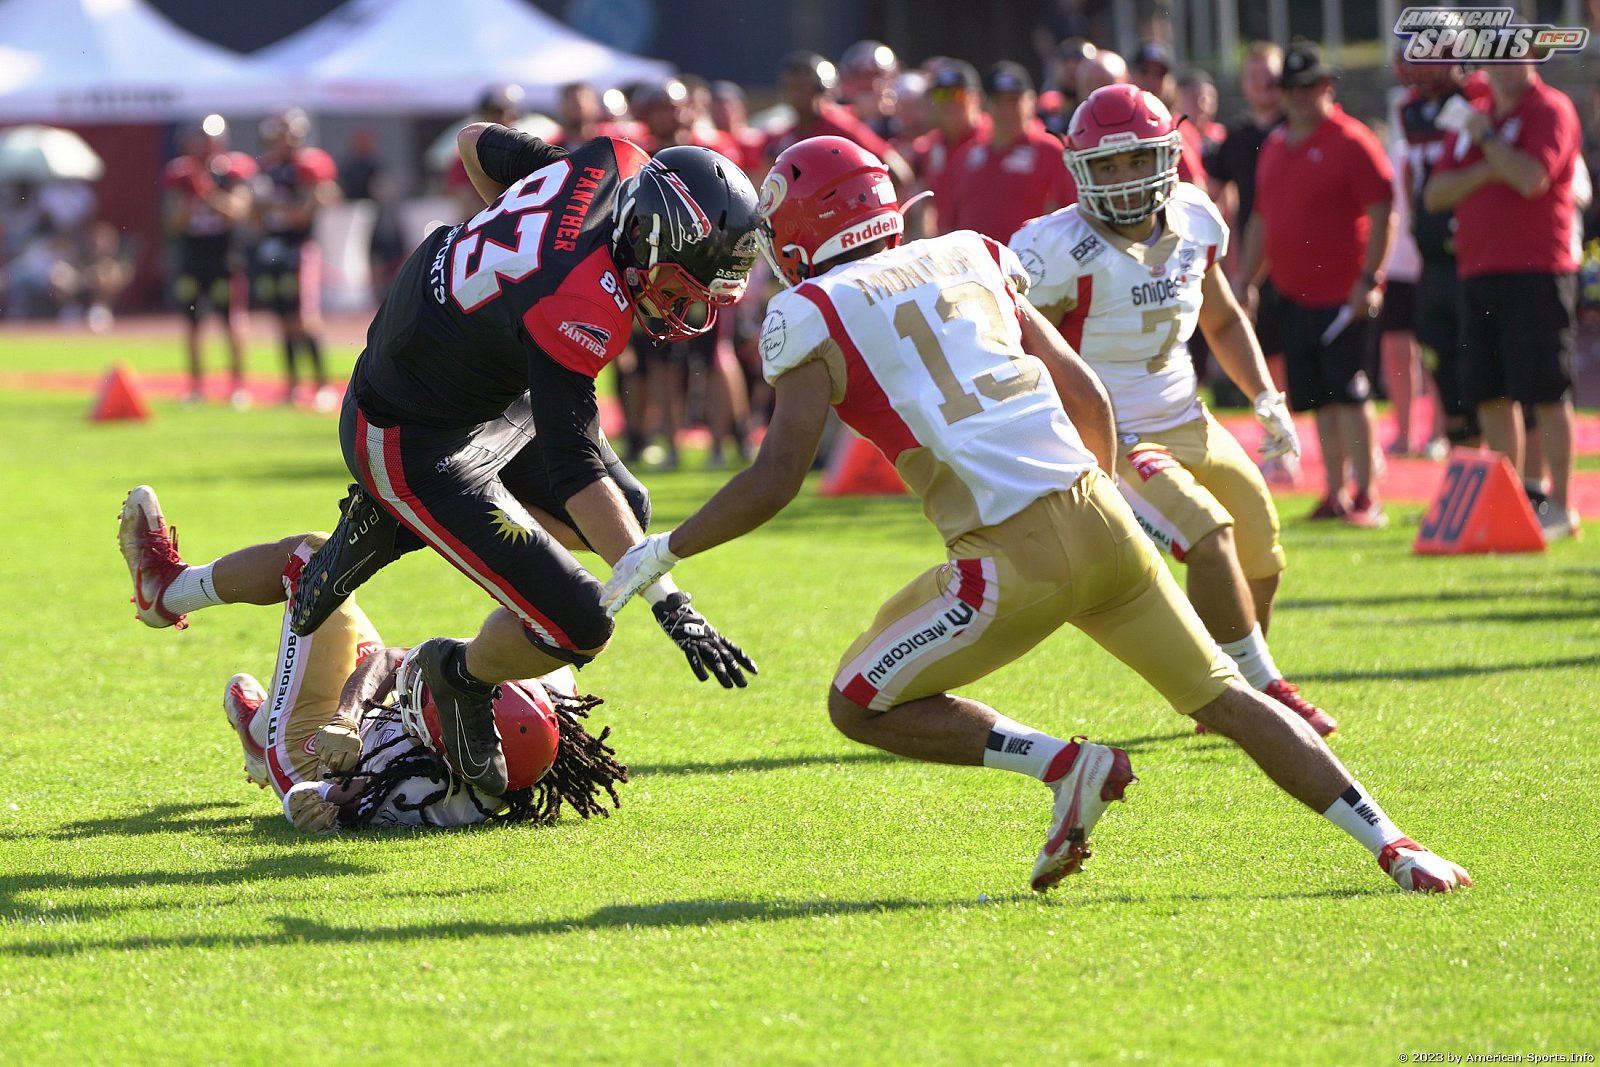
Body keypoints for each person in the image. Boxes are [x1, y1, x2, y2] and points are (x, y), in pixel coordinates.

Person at [601, 135, 1470, 895]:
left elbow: (775, 477)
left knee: (854, 704)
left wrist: (663, 549)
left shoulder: (808, 311)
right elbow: (1086, 392)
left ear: (801, 230)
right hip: (1103, 517)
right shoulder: (973, 254)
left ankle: (1064, 762)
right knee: (1229, 699)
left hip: (1005, 564)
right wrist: (1103, 493)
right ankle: (1396, 845)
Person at [280, 123, 762, 797]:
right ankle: (454, 675)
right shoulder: (581, 299)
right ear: (648, 239)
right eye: (685, 287)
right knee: (580, 622)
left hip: (468, 379)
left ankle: (395, 526)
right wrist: (670, 601)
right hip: (412, 433)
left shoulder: (613, 161)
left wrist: (510, 255)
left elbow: (473, 141)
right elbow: (577, 469)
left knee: (630, 510)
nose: (690, 306)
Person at [1008, 84, 1336, 738]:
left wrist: (1265, 395)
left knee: (1260, 547)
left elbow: (1222, 318)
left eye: (1137, 160)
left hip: (1188, 416)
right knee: (1208, 538)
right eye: (1107, 165)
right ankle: (1264, 692)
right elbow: (1013, 350)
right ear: (1080, 168)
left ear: (1167, 156)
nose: (1124, 178)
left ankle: (1227, 701)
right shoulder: (1052, 250)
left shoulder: (1194, 218)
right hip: (1116, 436)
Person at [115, 486, 628, 834]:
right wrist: (350, 716)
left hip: (315, 758)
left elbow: (322, 799)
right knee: (344, 622)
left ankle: (169, 592)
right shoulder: (546, 690)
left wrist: (307, 800)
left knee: (312, 562)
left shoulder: (427, 793)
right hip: (365, 722)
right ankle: (259, 728)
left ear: (446, 746)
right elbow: (391, 660)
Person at [1423, 60, 1583, 541]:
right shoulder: (1476, 114)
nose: (1507, 68)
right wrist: (1491, 167)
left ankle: (1561, 505)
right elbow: (1435, 194)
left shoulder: (1549, 108)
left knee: (1546, 390)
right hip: (1477, 271)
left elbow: (1531, 177)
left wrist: (1489, 143)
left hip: (1538, 269)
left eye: (1516, 57)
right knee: (1489, 393)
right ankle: (1510, 503)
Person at [1237, 40, 1393, 527]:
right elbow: (1262, 220)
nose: (1301, 96)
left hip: (1344, 295)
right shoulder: (1276, 146)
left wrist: (1369, 278)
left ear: (1327, 87)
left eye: (1310, 86)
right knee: (1319, 400)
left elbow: (1382, 211)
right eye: (1292, 88)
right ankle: (1335, 491)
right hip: (1294, 294)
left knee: (1351, 395)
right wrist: (1246, 280)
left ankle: (1366, 494)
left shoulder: (1351, 140)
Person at [163, 116, 256, 407]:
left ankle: (238, 386)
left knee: (231, 321)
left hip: (224, 254)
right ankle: (196, 386)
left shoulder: (232, 171)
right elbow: (173, 222)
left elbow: (238, 211)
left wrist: (207, 192)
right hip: (194, 253)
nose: (204, 145)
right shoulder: (181, 173)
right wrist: (190, 197)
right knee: (192, 322)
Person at [253, 107, 342, 410]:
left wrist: (272, 207)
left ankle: (322, 385)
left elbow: (302, 214)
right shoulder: (267, 168)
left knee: (304, 318)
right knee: (282, 318)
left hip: (300, 247)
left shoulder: (309, 165)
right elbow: (255, 217)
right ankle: (292, 385)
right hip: (273, 248)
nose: (283, 138)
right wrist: (266, 208)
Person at [936, 61, 1077, 242]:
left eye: (1014, 100)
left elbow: (1074, 215)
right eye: (998, 102)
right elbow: (948, 223)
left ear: (1031, 101)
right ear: (986, 104)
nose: (1007, 110)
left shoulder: (1052, 150)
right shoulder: (966, 156)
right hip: (975, 259)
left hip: (1032, 258)